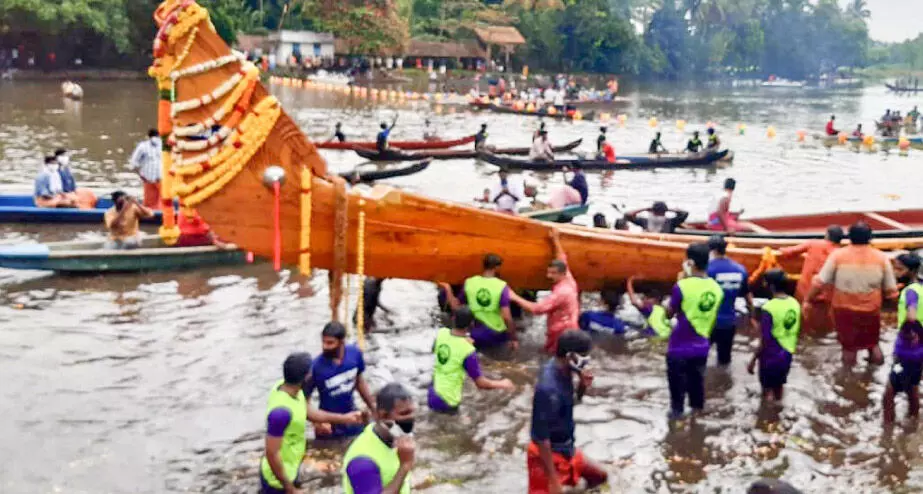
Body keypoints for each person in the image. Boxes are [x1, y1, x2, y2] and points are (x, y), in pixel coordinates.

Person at [261, 352, 364, 494]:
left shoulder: (288, 389)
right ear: (306, 377)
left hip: (291, 467)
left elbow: (307, 411)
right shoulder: (280, 413)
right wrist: (290, 489)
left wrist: (345, 418)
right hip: (277, 481)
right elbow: (272, 453)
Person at [805, 222, 898, 367]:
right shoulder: (881, 258)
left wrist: (808, 299)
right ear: (870, 238)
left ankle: (847, 378)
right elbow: (891, 291)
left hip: (844, 310)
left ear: (849, 238)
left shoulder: (838, 256)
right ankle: (875, 373)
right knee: (873, 344)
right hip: (870, 310)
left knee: (849, 348)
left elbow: (820, 282)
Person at [527, 330, 608, 494]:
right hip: (547, 455)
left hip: (567, 447)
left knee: (600, 477)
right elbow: (541, 438)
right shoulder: (548, 389)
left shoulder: (566, 369)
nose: (587, 360)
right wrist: (553, 479)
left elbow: (574, 401)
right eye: (584, 355)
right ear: (570, 356)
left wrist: (583, 385)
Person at [664, 243, 723, 419]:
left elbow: (669, 314)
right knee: (697, 395)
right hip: (701, 347)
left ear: (690, 262)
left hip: (678, 347)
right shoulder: (717, 289)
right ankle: (696, 427)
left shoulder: (682, 286)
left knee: (677, 403)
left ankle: (676, 431)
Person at [428, 306, 515, 413]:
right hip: (448, 400)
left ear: (454, 318)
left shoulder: (442, 333)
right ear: (471, 324)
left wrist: (460, 342)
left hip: (432, 394)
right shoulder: (468, 350)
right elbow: (481, 383)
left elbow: (435, 349)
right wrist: (502, 383)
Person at [303, 322, 376, 440]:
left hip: (353, 418)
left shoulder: (355, 354)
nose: (325, 346)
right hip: (328, 424)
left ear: (342, 342)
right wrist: (317, 423)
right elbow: (303, 402)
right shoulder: (315, 367)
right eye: (323, 342)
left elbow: (359, 381)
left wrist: (372, 407)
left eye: (330, 343)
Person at [510, 230, 580, 353]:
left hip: (561, 333)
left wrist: (514, 296)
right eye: (548, 272)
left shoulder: (561, 292)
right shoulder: (568, 279)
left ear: (562, 274)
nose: (548, 276)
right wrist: (555, 239)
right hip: (570, 328)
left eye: (553, 273)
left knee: (553, 357)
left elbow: (537, 309)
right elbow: (562, 257)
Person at [341, 382, 416, 494]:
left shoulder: (396, 436)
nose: (411, 417)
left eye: (412, 412)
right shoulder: (363, 461)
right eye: (404, 413)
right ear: (383, 415)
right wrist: (405, 466)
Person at [441, 253, 519, 350]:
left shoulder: (469, 282)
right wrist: (513, 338)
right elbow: (507, 318)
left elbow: (455, 308)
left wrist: (447, 288)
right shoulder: (502, 286)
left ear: (483, 266)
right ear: (497, 268)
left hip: (475, 333)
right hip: (496, 334)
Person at [747, 269, 800, 403]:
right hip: (787, 355)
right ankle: (778, 411)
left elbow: (765, 339)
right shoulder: (795, 303)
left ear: (771, 286)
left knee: (766, 394)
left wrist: (753, 360)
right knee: (779, 390)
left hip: (770, 357)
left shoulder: (769, 308)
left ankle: (766, 414)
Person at [884, 253, 923, 423]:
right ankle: (913, 422)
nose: (895, 272)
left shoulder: (910, 292)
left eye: (900, 269)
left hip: (908, 349)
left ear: (912, 271)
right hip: (919, 349)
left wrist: (909, 332)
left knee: (888, 394)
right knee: (912, 387)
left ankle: (887, 430)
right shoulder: (920, 288)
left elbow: (911, 316)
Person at [778, 225, 843, 326]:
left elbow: (788, 252)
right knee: (822, 325)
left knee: (800, 322)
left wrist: (779, 249)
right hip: (826, 297)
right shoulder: (841, 254)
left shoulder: (813, 244)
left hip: (804, 292)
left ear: (827, 235)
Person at [707, 235, 753, 367]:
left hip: (708, 322)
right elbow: (748, 297)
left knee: (698, 359)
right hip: (729, 323)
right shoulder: (740, 269)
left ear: (711, 250)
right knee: (724, 362)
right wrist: (752, 317)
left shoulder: (707, 269)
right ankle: (724, 379)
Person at [128, 129, 163, 209]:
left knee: (150, 204)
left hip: (148, 179)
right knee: (165, 202)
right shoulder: (165, 145)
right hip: (162, 178)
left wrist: (141, 175)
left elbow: (133, 163)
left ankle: (151, 213)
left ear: (148, 136)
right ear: (159, 135)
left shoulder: (142, 146)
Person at [624, 201, 689, 234]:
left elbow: (627, 215)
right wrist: (669, 210)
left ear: (652, 211)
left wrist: (644, 209)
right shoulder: (672, 222)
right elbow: (684, 213)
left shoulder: (644, 221)